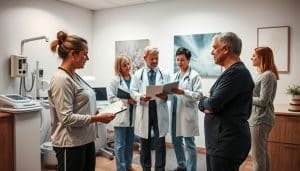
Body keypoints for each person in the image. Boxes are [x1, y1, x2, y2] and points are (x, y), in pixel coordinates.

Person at [48, 31, 115, 171]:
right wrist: (96, 118)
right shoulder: (61, 79)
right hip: (70, 143)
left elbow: (80, 103)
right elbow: (66, 118)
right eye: (85, 54)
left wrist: (95, 112)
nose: (87, 58)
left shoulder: (75, 76)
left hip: (86, 140)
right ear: (73, 54)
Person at [198, 32, 254, 171]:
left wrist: (203, 101)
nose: (212, 52)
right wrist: (207, 102)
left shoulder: (237, 73)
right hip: (220, 143)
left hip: (227, 144)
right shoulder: (231, 72)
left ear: (225, 49)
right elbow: (213, 103)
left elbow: (212, 104)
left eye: (215, 47)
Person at [130, 46, 170, 171]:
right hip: (145, 108)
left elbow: (170, 91)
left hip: (159, 109)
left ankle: (160, 168)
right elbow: (132, 91)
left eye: (156, 58)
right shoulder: (137, 74)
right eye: (152, 59)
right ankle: (146, 168)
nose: (154, 61)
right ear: (145, 58)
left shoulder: (165, 73)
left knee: (160, 143)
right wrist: (140, 96)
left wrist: (166, 95)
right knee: (144, 143)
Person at [170, 47, 203, 171]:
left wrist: (183, 91)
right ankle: (181, 165)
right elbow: (171, 93)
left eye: (182, 60)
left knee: (189, 144)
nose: (179, 62)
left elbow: (199, 95)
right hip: (174, 112)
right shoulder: (174, 76)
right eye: (177, 60)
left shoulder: (194, 76)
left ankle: (191, 169)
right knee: (176, 141)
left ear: (188, 60)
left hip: (186, 113)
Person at [249, 47, 279, 171]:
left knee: (257, 156)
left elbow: (263, 101)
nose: (251, 58)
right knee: (262, 153)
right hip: (260, 118)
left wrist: (245, 97)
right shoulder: (262, 74)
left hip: (261, 119)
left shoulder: (268, 75)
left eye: (254, 56)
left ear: (262, 58)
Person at [108, 55, 136, 171]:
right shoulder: (115, 80)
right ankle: (121, 168)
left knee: (130, 145)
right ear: (119, 67)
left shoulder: (135, 79)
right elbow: (111, 98)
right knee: (120, 145)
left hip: (133, 116)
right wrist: (126, 100)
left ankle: (128, 165)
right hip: (121, 117)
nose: (128, 67)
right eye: (124, 65)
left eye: (128, 64)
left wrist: (137, 99)